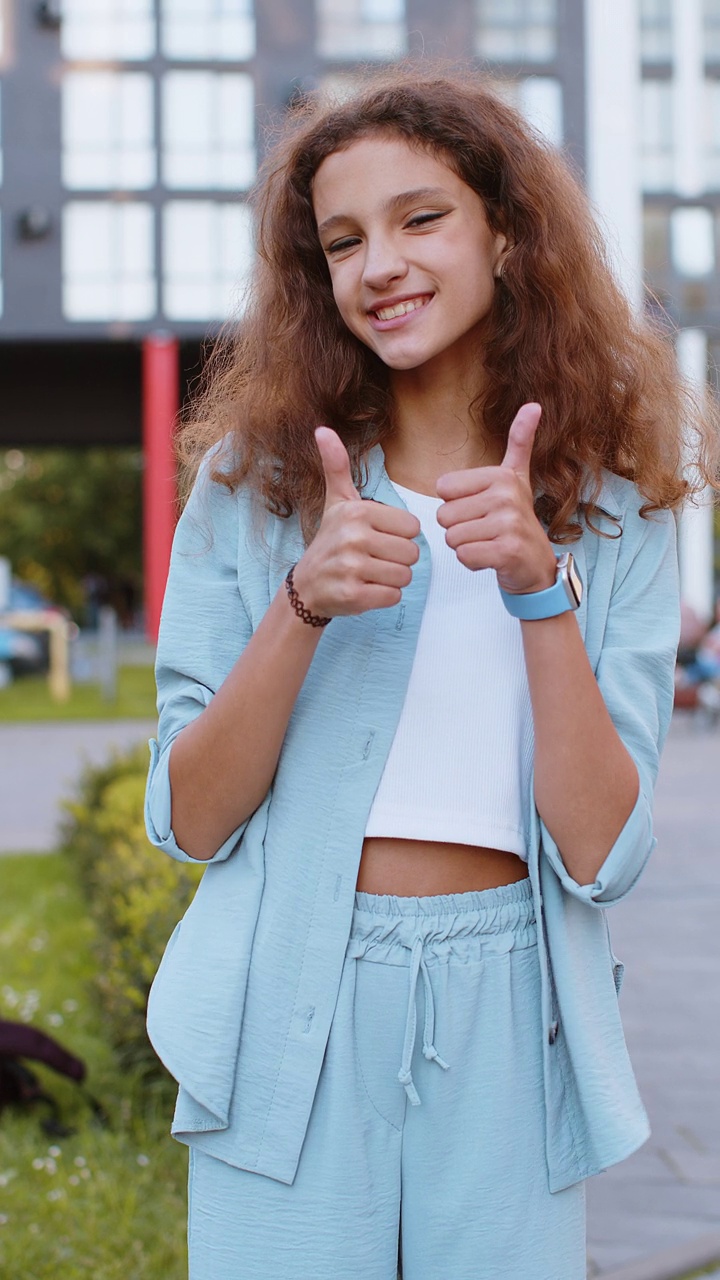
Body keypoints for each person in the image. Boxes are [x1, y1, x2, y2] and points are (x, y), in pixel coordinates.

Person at [144, 65, 718, 1280]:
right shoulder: (256, 490)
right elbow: (191, 818)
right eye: (342, 240)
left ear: (506, 235)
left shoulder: (615, 504)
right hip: (289, 990)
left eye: (420, 218)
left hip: (512, 1002)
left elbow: (603, 851)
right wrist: (305, 599)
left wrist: (537, 591)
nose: (379, 265)